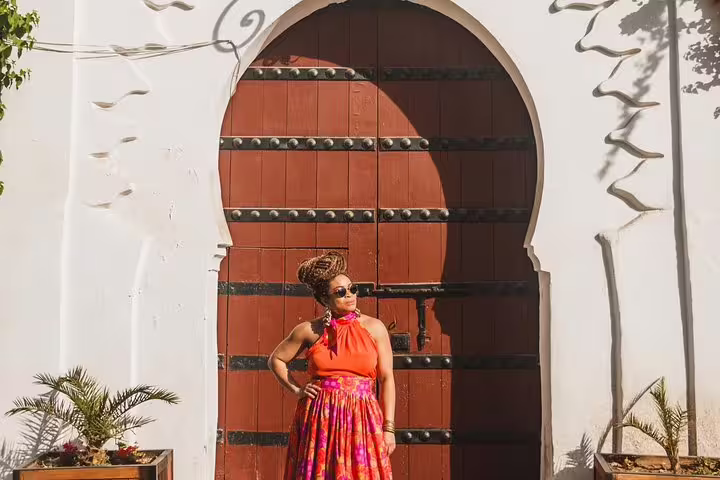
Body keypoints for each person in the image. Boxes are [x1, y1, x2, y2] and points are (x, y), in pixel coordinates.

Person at [268, 251, 395, 480]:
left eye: (352, 288)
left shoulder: (375, 328)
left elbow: (386, 378)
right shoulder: (309, 330)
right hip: (321, 420)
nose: (350, 295)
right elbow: (276, 359)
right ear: (324, 299)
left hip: (362, 417)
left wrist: (389, 429)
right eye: (341, 292)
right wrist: (298, 390)